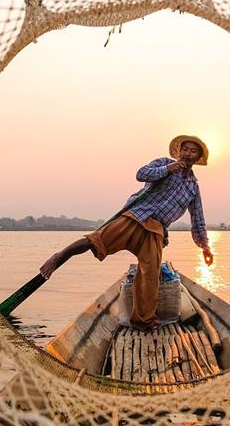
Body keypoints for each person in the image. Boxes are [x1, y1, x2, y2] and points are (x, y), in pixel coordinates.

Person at [39, 135, 214, 331]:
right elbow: (141, 174)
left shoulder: (193, 187)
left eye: (193, 151)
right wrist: (167, 170)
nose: (188, 154)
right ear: (179, 152)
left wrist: (205, 247)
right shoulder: (164, 163)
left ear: (197, 157)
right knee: (96, 241)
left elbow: (197, 219)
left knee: (150, 276)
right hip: (137, 215)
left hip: (156, 229)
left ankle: (143, 321)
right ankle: (58, 257)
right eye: (185, 149)